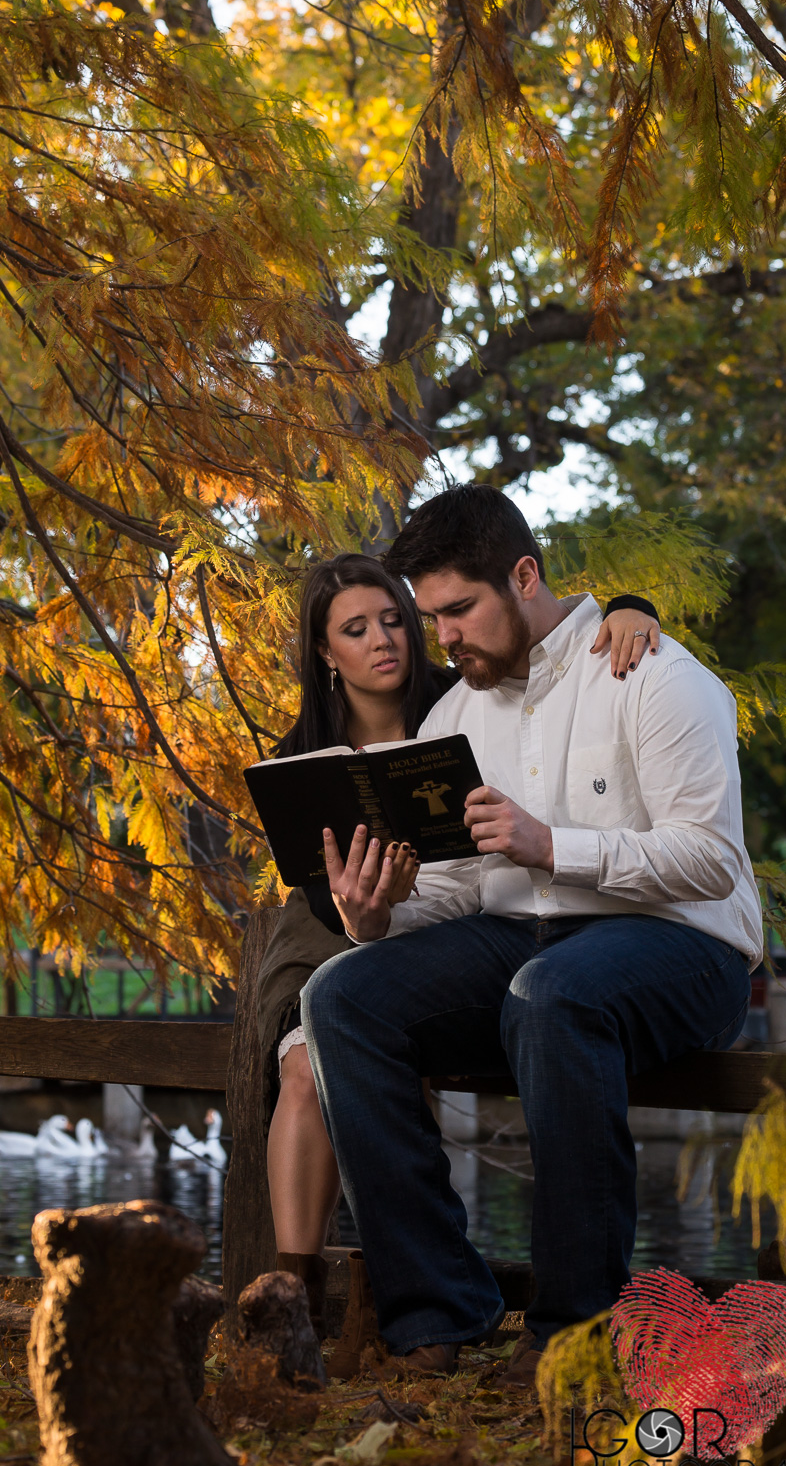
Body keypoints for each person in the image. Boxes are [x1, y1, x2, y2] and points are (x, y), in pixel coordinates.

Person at [301, 487, 760, 1380]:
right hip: (520, 943)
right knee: (343, 997)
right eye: (431, 618)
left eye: (460, 610)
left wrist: (555, 845)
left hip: (680, 946)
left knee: (550, 996)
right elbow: (459, 890)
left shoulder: (655, 676)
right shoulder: (453, 718)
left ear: (524, 576)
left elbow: (712, 862)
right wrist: (378, 914)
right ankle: (436, 1311)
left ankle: (575, 1337)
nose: (445, 640)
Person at [255, 551, 662, 1338]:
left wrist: (631, 597)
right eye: (356, 629)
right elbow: (317, 889)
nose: (386, 640)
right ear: (323, 651)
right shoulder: (301, 751)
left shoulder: (464, 702)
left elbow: (545, 642)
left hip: (465, 920)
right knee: (312, 1051)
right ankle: (295, 1295)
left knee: (405, 1020)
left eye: (395, 621)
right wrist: (365, 906)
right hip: (333, 931)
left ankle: (408, 1287)